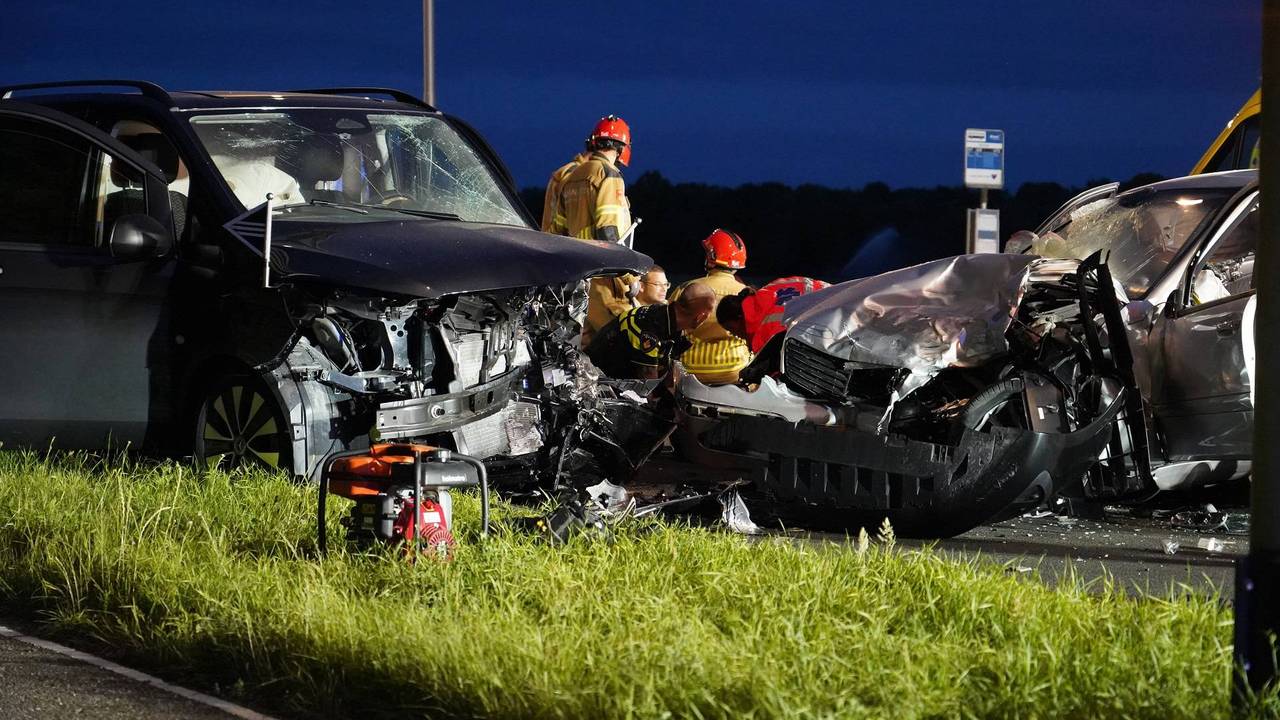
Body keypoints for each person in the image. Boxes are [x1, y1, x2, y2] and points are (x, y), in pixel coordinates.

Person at [670, 229, 752, 385]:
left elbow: (669, 329)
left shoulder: (685, 289)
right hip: (735, 373)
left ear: (711, 256)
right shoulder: (747, 294)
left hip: (691, 372)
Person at [585, 283, 716, 380]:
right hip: (594, 382)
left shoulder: (667, 319)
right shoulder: (651, 328)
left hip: (612, 380)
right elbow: (648, 379)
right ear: (701, 317)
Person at [716, 276, 831, 384]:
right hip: (840, 299)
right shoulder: (766, 293)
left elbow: (777, 369)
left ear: (739, 317)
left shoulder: (765, 330)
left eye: (731, 329)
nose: (733, 334)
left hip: (832, 321)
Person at [548, 115, 632, 242]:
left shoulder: (573, 175)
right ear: (621, 147)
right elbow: (607, 227)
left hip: (574, 255)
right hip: (598, 256)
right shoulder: (608, 174)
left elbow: (558, 229)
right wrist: (619, 258)